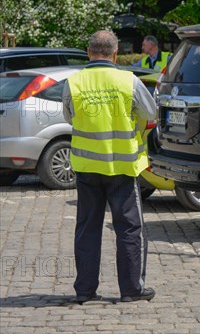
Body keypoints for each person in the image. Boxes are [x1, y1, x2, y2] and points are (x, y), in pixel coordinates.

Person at [63, 30, 157, 304]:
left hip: (87, 167)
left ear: (88, 51)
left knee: (87, 228)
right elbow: (150, 114)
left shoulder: (74, 81)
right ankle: (131, 289)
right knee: (129, 229)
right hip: (122, 168)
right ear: (115, 54)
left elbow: (69, 116)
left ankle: (84, 290)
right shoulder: (128, 80)